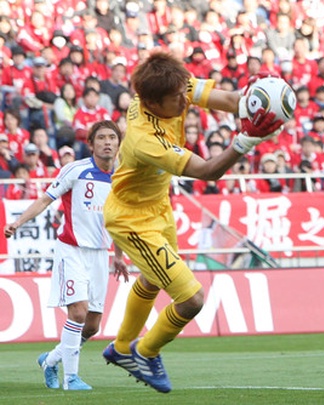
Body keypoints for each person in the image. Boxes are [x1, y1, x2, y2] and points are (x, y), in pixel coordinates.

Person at [100, 51, 281, 393]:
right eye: (177, 98)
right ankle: (146, 350)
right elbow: (208, 171)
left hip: (158, 206)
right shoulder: (145, 139)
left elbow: (228, 99)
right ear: (151, 103)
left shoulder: (171, 85)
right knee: (191, 300)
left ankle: (122, 348)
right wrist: (247, 140)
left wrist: (257, 100)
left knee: (154, 282)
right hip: (131, 220)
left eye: (186, 92)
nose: (185, 100)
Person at [4, 120, 129, 390]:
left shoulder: (122, 178)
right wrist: (18, 222)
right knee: (79, 312)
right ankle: (71, 379)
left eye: (112, 138)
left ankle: (50, 360)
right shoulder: (76, 170)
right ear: (91, 144)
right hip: (71, 250)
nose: (107, 142)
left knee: (93, 325)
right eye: (102, 138)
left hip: (100, 255)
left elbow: (119, 221)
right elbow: (45, 199)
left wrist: (118, 255)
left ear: (119, 144)